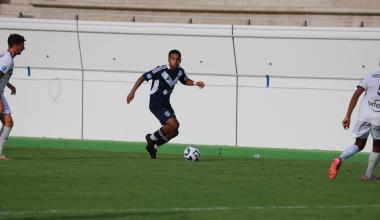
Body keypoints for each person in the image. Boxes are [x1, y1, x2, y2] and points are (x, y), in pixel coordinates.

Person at [127, 49, 205, 159]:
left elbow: (184, 80)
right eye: (173, 59)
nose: (175, 61)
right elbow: (143, 77)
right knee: (174, 125)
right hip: (156, 103)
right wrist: (132, 92)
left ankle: (153, 146)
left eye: (177, 59)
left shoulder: (180, 71)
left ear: (180, 60)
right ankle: (152, 137)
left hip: (166, 103)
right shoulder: (160, 70)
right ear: (168, 59)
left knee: (174, 131)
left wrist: (195, 83)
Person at [329, 69, 380, 181]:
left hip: (364, 115)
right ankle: (368, 175)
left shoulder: (370, 75)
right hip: (378, 118)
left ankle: (340, 158)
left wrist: (348, 115)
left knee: (359, 144)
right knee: (377, 146)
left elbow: (355, 95)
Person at [0, 34, 26, 160]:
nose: (24, 48)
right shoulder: (7, 60)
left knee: (8, 122)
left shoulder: (6, 57)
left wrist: (9, 85)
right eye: (23, 45)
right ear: (16, 45)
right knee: (8, 123)